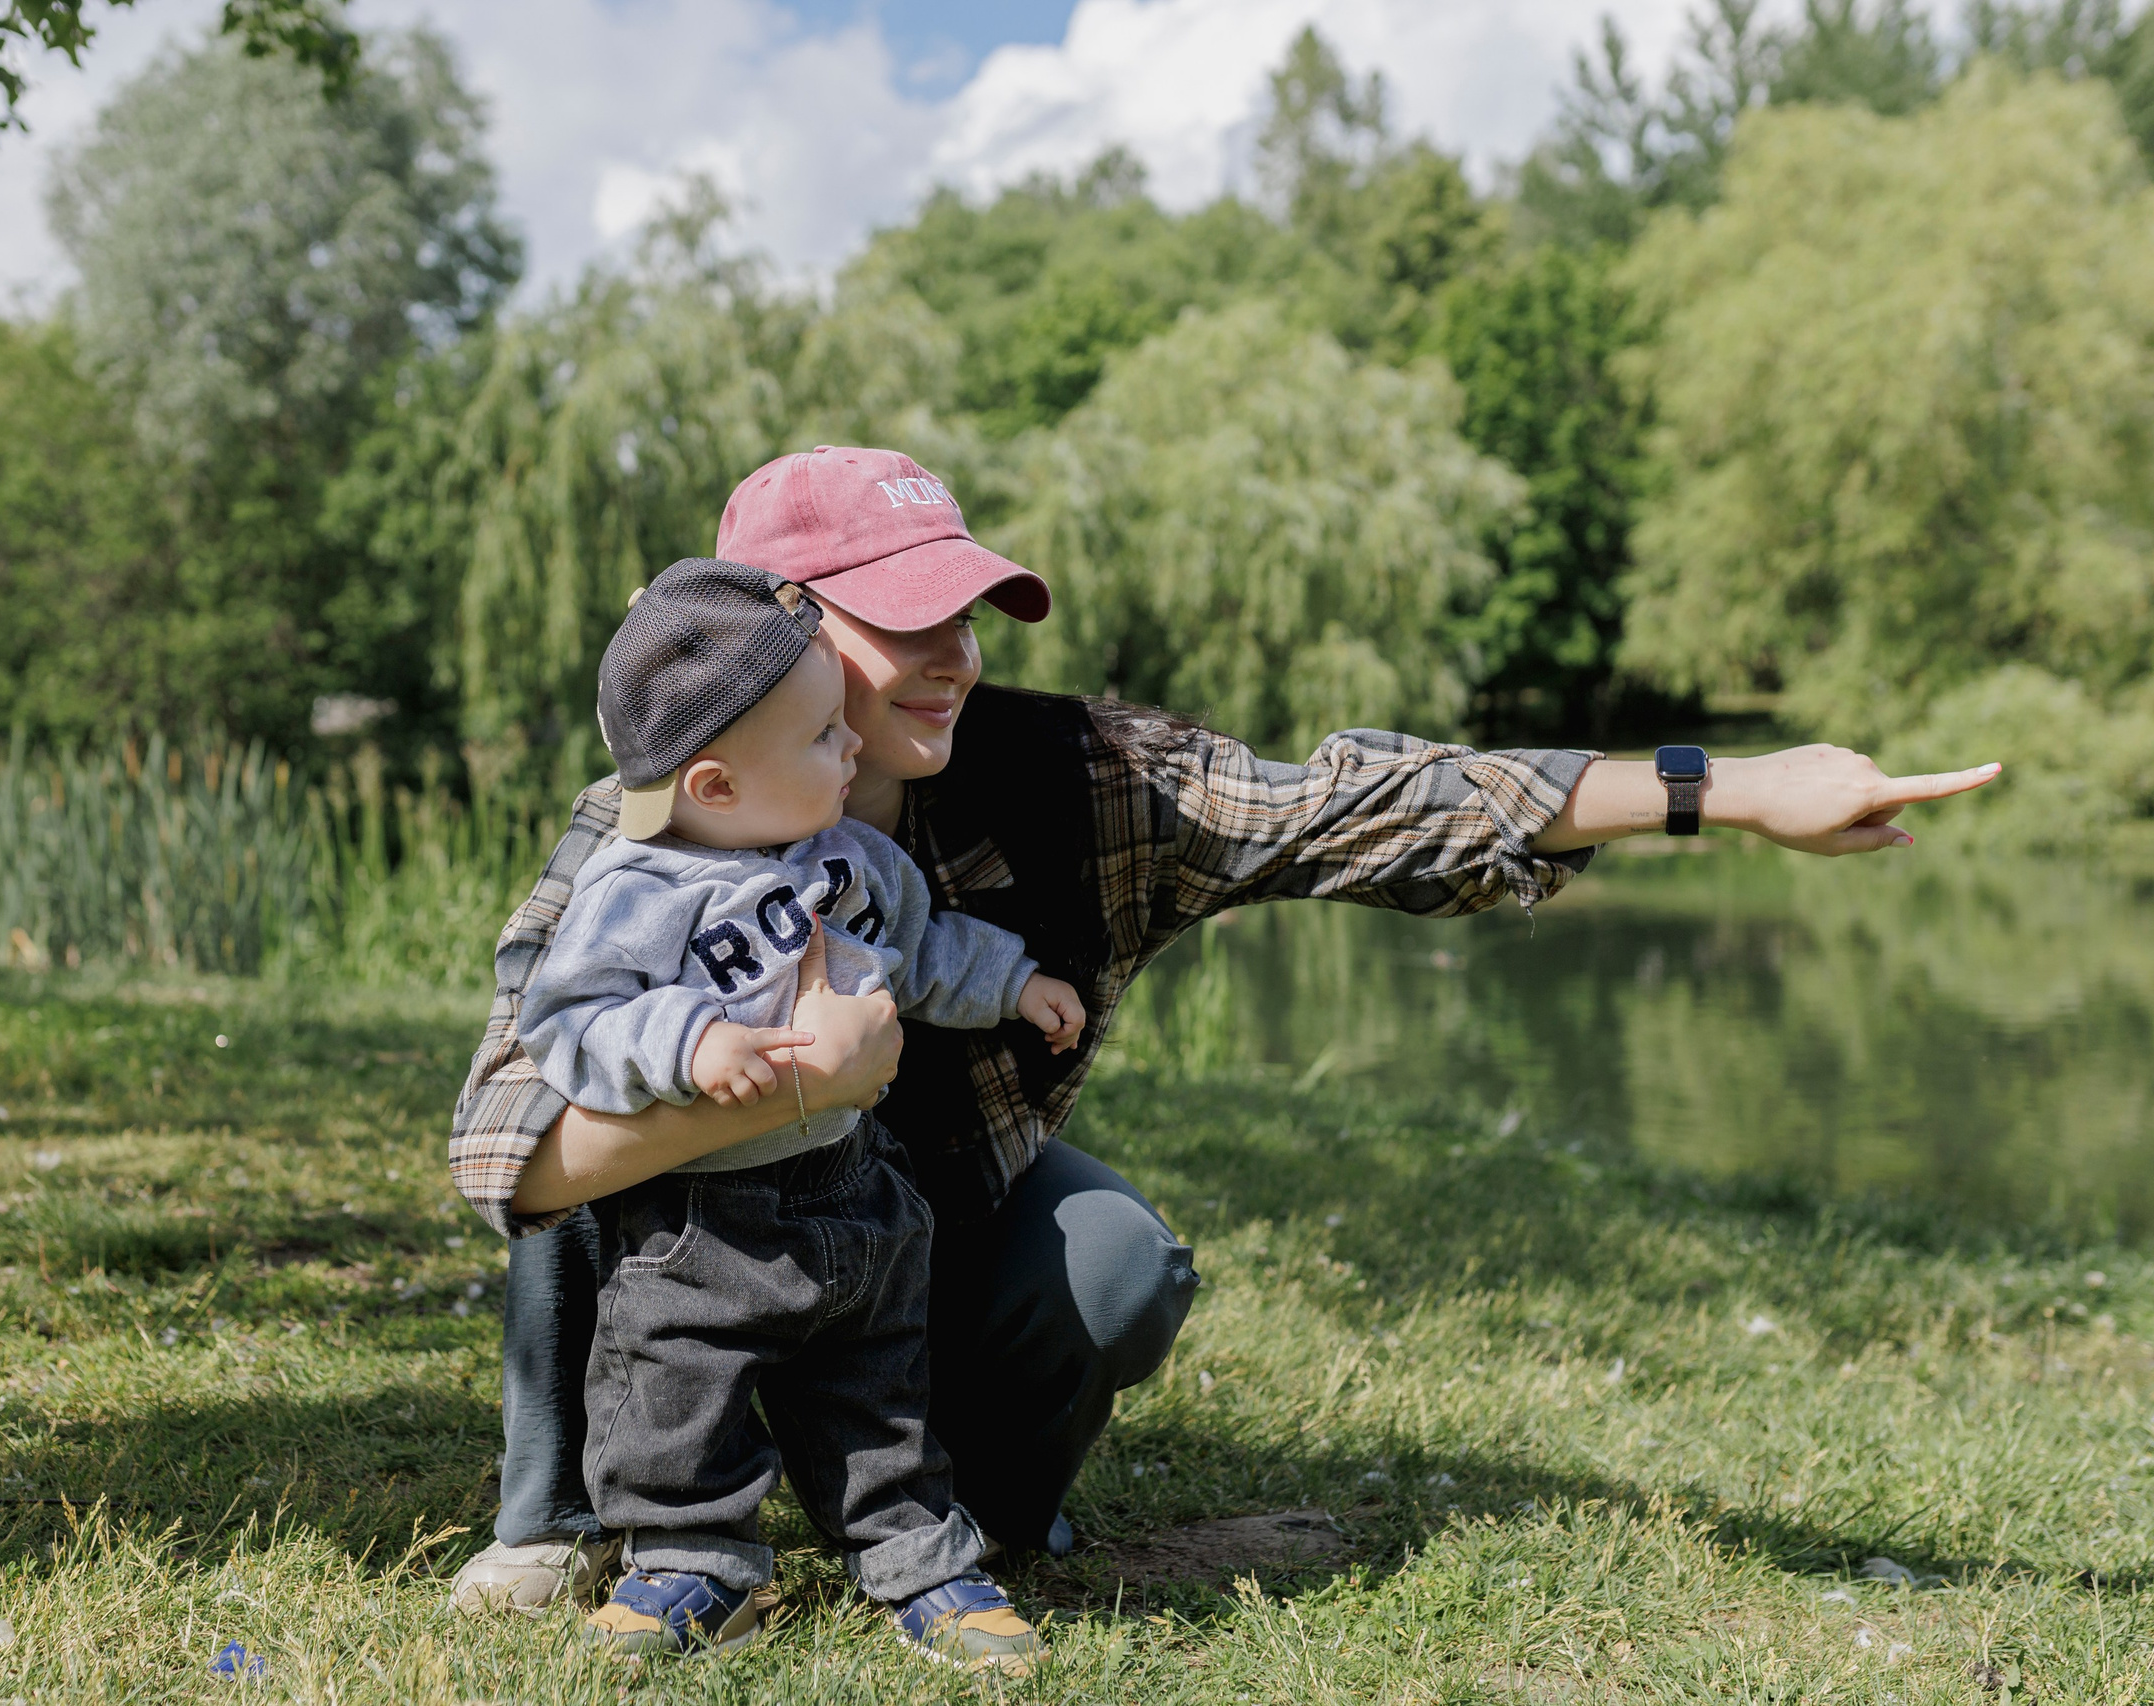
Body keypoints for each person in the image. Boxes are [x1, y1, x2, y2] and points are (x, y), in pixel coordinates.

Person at [446, 445, 2000, 1617]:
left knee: (1115, 1260)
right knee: (581, 1184)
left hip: (908, 1237)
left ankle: (944, 1523)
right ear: (764, 637)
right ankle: (583, 1517)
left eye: (969, 616)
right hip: (698, 1252)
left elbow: (1370, 802)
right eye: (899, 622)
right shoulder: (650, 833)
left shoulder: (1087, 784)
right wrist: (794, 1073)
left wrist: (1721, 787)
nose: (954, 656)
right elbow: (504, 1145)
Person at [516, 556, 1082, 1668]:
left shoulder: (851, 859)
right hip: (698, 1211)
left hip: (854, 1180)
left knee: (877, 1384)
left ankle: (918, 1556)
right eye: (826, 736)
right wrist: (692, 1042)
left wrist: (1013, 981)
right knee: (678, 1383)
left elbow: (919, 954)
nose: (854, 749)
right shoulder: (635, 890)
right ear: (717, 785)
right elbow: (569, 1020)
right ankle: (693, 1559)